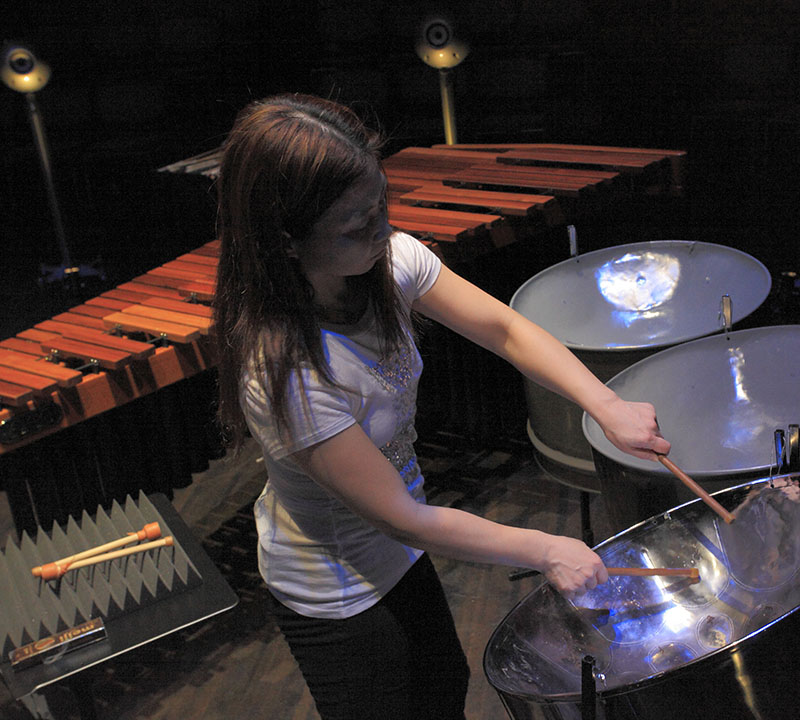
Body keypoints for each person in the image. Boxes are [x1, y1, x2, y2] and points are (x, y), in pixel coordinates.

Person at [211, 93, 670, 720]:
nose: (381, 232)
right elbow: (401, 517)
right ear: (286, 242)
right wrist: (545, 548)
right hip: (337, 590)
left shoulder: (388, 261)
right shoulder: (286, 372)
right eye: (355, 227)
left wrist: (606, 404)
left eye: (381, 207)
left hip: (401, 552)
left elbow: (505, 330)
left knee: (444, 692)